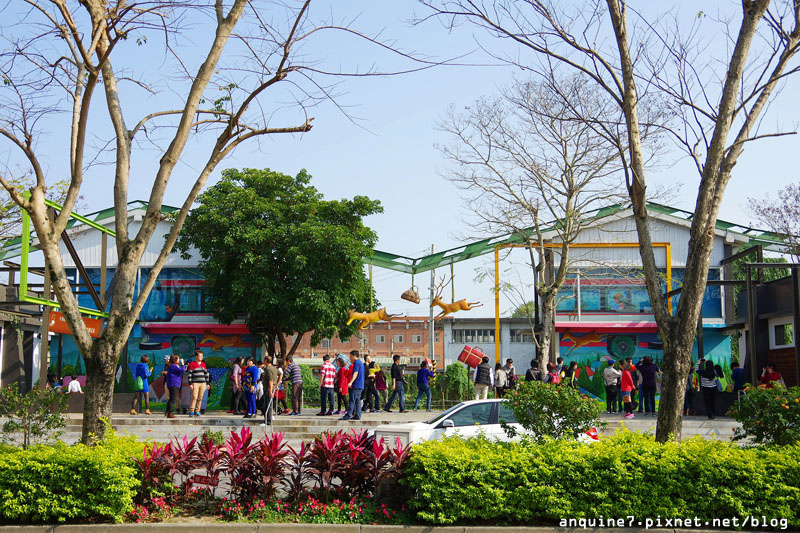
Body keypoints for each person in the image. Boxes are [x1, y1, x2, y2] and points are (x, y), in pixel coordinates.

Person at [341, 350, 365, 421]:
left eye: (350, 356)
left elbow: (355, 373)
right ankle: (357, 415)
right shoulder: (360, 363)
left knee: (352, 401)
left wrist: (351, 382)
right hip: (360, 385)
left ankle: (348, 415)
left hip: (356, 384)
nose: (350, 357)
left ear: (354, 356)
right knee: (357, 401)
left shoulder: (356, 363)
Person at [187, 350, 211, 417]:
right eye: (200, 356)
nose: (201, 357)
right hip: (195, 383)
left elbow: (206, 374)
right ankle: (191, 411)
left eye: (202, 356)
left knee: (200, 398)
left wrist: (207, 383)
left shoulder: (203, 364)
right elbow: (190, 374)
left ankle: (197, 411)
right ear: (196, 356)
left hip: (203, 383)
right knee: (194, 397)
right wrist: (190, 383)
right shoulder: (192, 364)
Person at [163, 355, 185, 419]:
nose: (179, 360)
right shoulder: (174, 366)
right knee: (172, 399)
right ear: (175, 360)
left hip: (172, 383)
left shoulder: (172, 366)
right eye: (178, 359)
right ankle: (169, 413)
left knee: (171, 399)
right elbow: (182, 370)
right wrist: (183, 363)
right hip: (174, 384)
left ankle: (167, 411)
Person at [260, 357, 279, 426]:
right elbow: (281, 374)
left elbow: (270, 381)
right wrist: (277, 384)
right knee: (265, 404)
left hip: (268, 389)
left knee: (267, 405)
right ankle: (267, 419)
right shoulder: (274, 368)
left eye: (264, 360)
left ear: (266, 361)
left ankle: (268, 421)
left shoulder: (268, 369)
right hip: (271, 388)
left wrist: (270, 391)